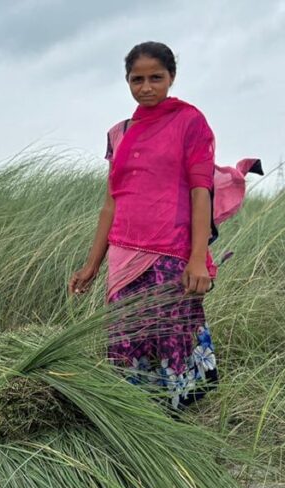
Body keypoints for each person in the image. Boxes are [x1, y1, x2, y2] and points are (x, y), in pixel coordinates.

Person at [69, 42, 224, 409]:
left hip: (171, 251)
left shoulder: (190, 122)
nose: (146, 87)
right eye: (137, 80)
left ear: (172, 77)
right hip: (123, 253)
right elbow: (111, 202)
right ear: (127, 81)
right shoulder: (119, 133)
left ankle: (177, 419)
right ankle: (135, 415)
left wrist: (197, 259)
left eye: (156, 78)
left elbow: (200, 192)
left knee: (172, 337)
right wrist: (92, 265)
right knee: (125, 340)